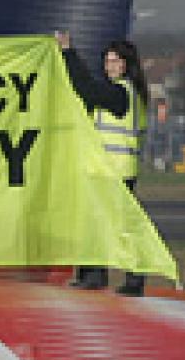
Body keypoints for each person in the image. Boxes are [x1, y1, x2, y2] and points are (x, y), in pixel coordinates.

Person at [58, 31, 150, 296]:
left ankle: (120, 278)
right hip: (109, 170)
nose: (108, 66)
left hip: (115, 171)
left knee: (114, 226)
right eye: (106, 61)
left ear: (125, 65)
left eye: (113, 61)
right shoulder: (126, 93)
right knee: (98, 223)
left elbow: (87, 88)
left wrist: (68, 53)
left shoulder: (121, 94)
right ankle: (95, 273)